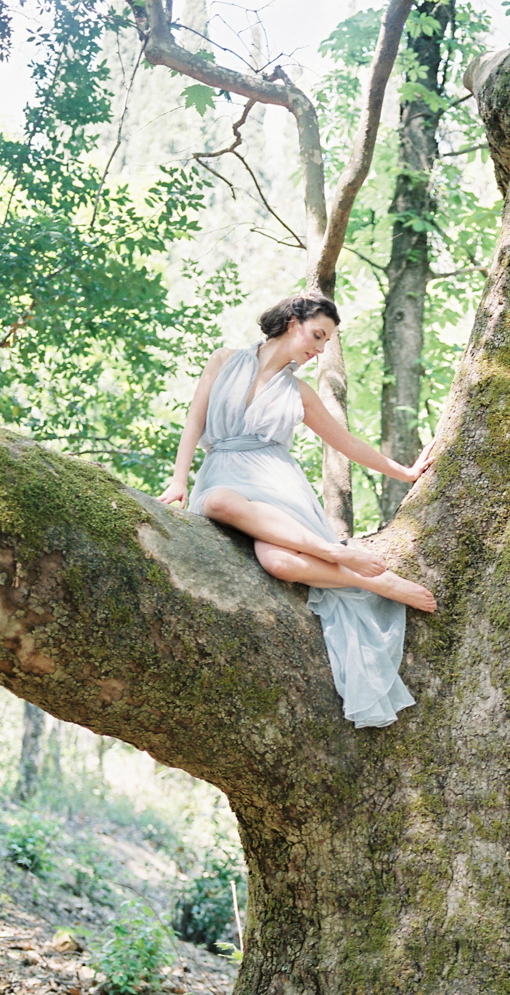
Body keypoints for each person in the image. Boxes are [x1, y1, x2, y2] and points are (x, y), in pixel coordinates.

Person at [158, 294, 436, 729]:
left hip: (276, 483)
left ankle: (376, 580)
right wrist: (178, 481)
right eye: (317, 335)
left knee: (281, 564)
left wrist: (405, 472)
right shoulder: (224, 360)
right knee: (216, 501)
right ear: (293, 322)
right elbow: (194, 420)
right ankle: (342, 555)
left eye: (326, 342)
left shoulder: (300, 393)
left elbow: (347, 443)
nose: (320, 349)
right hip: (224, 473)